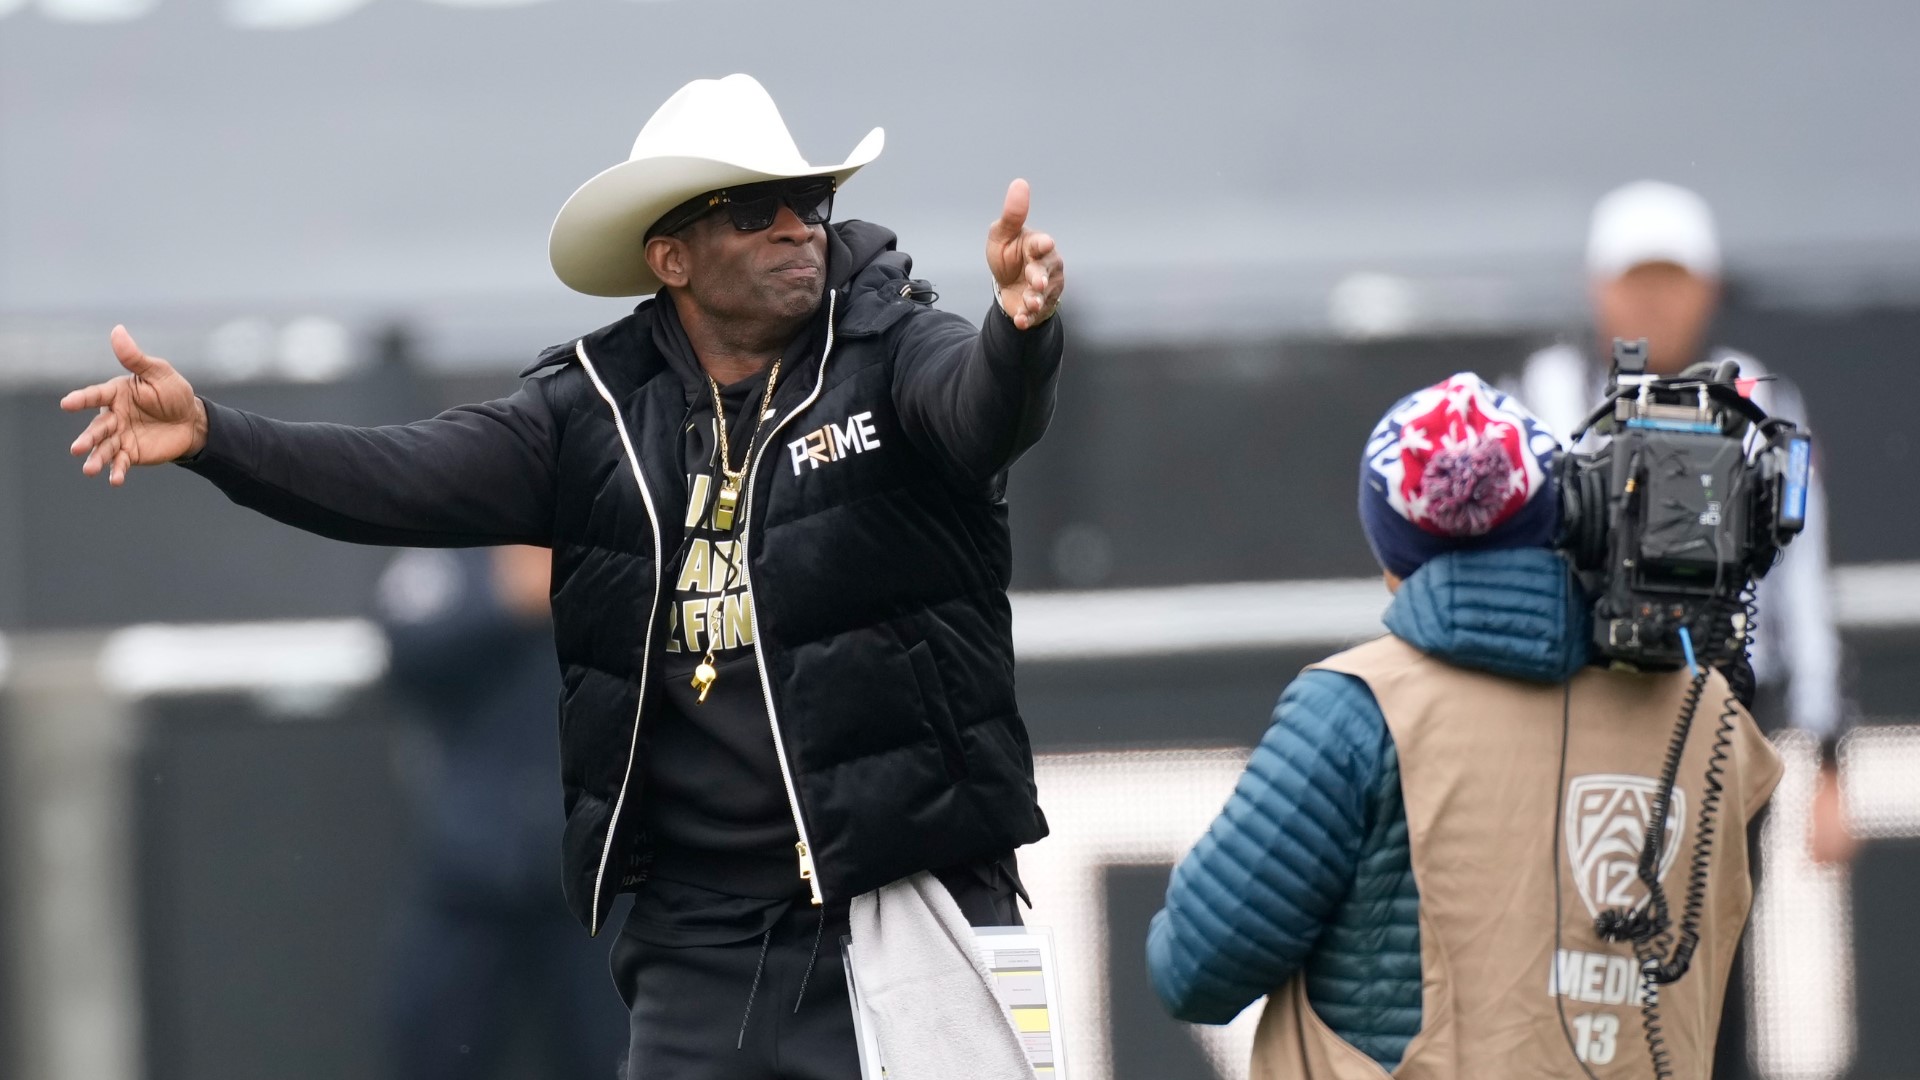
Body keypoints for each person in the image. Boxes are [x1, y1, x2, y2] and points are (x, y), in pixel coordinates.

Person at [62, 73, 1064, 1079]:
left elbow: (980, 411)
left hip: (902, 909)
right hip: (698, 942)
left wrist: (1020, 337)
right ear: (670, 257)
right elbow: (397, 476)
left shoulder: (894, 346)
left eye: (810, 203)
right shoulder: (593, 409)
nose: (797, 230)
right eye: (756, 211)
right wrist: (213, 438)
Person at [1147, 374, 1782, 1078]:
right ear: (1567, 512)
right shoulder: (1707, 716)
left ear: (1395, 559)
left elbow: (1193, 969)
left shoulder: (1355, 709)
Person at [1510, 179, 1852, 867]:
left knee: (1716, 940)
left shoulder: (1762, 399)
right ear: (1597, 286)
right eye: (1636, 281)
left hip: (1723, 712)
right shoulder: (1544, 392)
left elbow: (1803, 579)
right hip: (1577, 709)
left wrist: (1825, 755)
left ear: (1709, 289)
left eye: (1673, 281)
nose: (1653, 302)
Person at [374, 545, 628, 1080]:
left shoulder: (621, 545)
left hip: (600, 874)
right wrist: (504, 596)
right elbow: (404, 637)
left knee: (616, 1055)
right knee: (432, 1045)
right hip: (473, 866)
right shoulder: (454, 543)